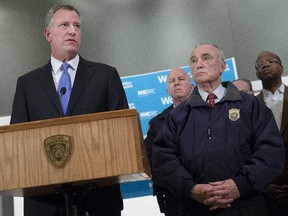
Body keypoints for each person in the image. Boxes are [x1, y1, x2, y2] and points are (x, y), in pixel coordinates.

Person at [10, 4, 128, 216]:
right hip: (44, 202)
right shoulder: (27, 84)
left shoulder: (105, 76)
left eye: (77, 26)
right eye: (64, 25)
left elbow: (122, 134)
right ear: (48, 34)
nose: (72, 31)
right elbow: (17, 146)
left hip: (98, 200)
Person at [152, 43, 285, 216]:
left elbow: (270, 151)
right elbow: (163, 159)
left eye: (206, 58)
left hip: (247, 206)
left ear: (222, 66)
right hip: (195, 208)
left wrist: (240, 184)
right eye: (194, 61)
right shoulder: (177, 115)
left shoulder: (250, 105)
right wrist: (191, 188)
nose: (198, 64)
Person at [145, 67, 194, 216]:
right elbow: (152, 161)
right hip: (172, 196)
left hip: (206, 190)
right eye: (172, 81)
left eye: (181, 79)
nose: (176, 83)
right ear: (168, 91)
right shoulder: (156, 123)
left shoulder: (210, 113)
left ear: (192, 87)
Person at [255, 51, 288, 216]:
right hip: (266, 192)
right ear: (257, 73)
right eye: (260, 64)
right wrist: (263, 186)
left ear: (281, 67)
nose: (265, 65)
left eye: (271, 61)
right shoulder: (250, 107)